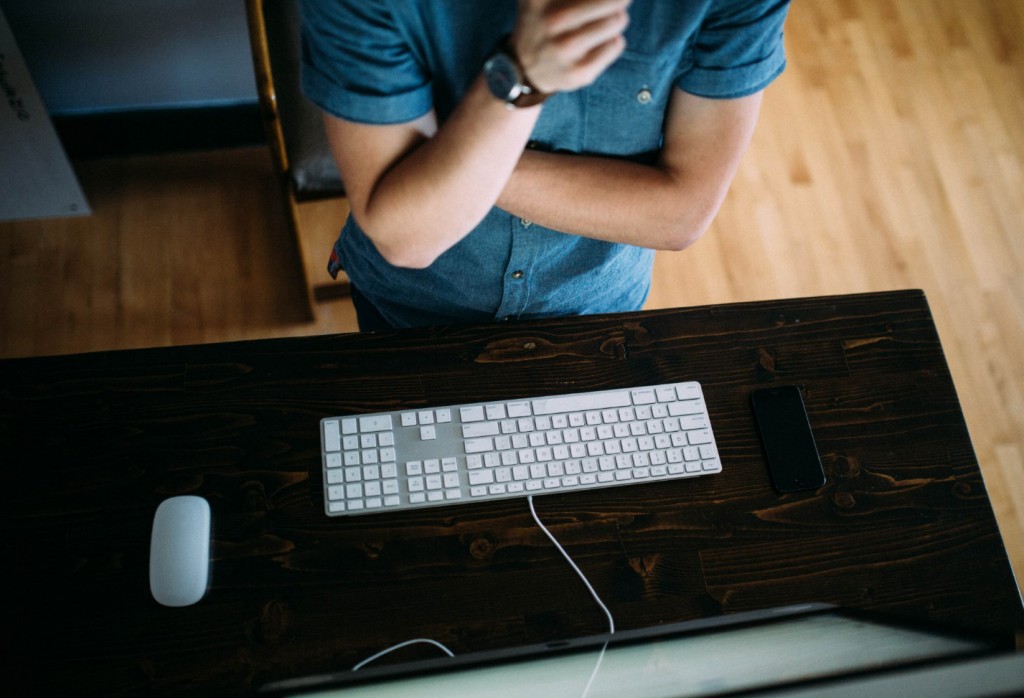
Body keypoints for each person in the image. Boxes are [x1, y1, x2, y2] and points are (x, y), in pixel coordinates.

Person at [300, 0, 791, 330]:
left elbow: (681, 213)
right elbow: (408, 237)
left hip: (598, 308)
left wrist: (453, 166)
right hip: (412, 311)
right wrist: (522, 77)